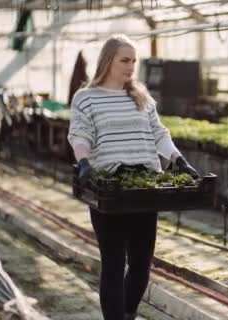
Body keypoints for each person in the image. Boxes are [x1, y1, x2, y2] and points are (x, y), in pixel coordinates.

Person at [67, 34, 199, 320]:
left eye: (133, 61)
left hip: (144, 189)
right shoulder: (87, 98)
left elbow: (158, 133)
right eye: (124, 60)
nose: (131, 66)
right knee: (114, 264)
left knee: (141, 264)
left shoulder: (141, 96)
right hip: (111, 189)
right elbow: (80, 133)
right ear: (108, 61)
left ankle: (127, 313)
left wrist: (178, 159)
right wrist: (85, 163)